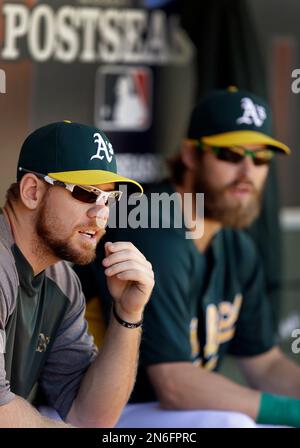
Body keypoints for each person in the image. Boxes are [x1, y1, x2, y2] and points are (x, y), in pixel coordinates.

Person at [75, 88, 300, 428]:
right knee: (232, 424)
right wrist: (291, 412)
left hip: (163, 413)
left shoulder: (237, 247)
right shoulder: (152, 222)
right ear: (191, 155)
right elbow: (175, 385)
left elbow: (264, 364)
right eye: (230, 154)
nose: (247, 171)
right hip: (90, 413)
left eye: (261, 158)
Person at [0, 121, 154, 428]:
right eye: (86, 194)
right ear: (32, 191)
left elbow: (93, 417)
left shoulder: (62, 282)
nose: (101, 214)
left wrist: (128, 313)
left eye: (109, 199)